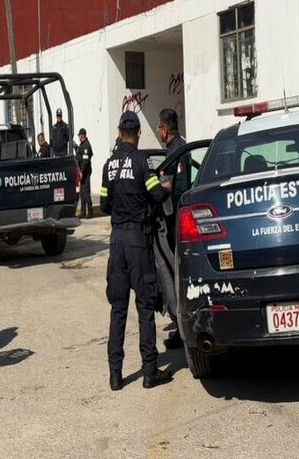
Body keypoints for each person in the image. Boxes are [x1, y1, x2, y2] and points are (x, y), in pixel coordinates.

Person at [99, 111, 173, 391]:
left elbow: (104, 205)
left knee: (118, 309)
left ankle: (115, 375)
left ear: (120, 133)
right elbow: (158, 195)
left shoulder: (109, 166)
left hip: (117, 242)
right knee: (144, 307)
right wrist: (167, 184)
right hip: (138, 242)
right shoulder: (143, 164)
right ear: (139, 134)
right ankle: (150, 370)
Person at [157, 107, 189, 350]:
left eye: (159, 127)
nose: (158, 131)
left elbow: (176, 188)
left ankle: (181, 328)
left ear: (165, 129)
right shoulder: (182, 146)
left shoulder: (174, 152)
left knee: (175, 273)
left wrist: (160, 192)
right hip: (179, 216)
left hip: (175, 217)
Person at [75, 128, 94, 218]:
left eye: (79, 135)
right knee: (82, 192)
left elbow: (85, 161)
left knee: (86, 192)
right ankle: (82, 212)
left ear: (83, 135)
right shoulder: (82, 145)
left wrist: (82, 172)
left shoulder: (86, 146)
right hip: (81, 171)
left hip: (85, 172)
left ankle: (90, 211)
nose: (78, 136)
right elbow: (79, 156)